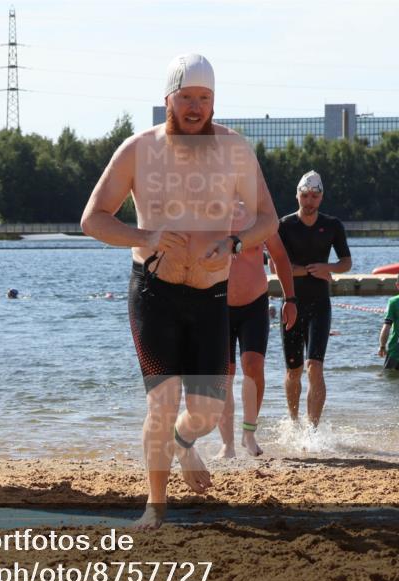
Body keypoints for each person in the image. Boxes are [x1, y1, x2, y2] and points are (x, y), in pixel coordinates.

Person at [80, 53, 279, 529]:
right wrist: (144, 237)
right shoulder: (138, 150)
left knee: (208, 413)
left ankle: (185, 444)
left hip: (212, 296)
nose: (195, 107)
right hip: (155, 293)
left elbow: (268, 219)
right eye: (186, 97)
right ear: (167, 98)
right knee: (161, 402)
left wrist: (235, 241)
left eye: (204, 98)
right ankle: (155, 504)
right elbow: (93, 219)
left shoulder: (235, 151)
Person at [215, 203, 297, 459]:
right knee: (224, 374)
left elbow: (280, 256)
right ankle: (227, 443)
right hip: (218, 304)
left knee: (253, 365)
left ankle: (248, 433)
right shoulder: (209, 211)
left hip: (254, 302)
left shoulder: (256, 216)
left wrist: (290, 299)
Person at [277, 171, 352, 427]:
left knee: (315, 367)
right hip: (292, 303)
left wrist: (327, 268)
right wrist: (307, 270)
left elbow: (346, 262)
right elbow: (275, 263)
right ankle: (294, 422)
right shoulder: (284, 225)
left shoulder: (332, 225)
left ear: (321, 198)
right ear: (297, 195)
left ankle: (313, 430)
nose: (309, 201)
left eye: (315, 196)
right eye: (305, 195)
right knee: (293, 370)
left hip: (320, 305)